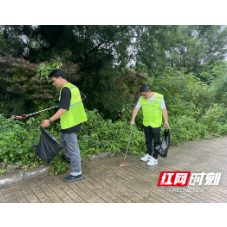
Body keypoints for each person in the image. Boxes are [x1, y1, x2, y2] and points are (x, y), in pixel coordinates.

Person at [41, 69, 87, 182]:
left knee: (73, 148)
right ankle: (68, 157)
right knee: (63, 138)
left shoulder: (65, 90)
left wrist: (49, 121)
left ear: (60, 78)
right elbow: (83, 96)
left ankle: (76, 173)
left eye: (54, 81)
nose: (54, 83)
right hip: (75, 120)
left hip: (70, 122)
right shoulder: (73, 87)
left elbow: (63, 109)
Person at [130, 84, 169, 166]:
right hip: (146, 122)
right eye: (142, 94)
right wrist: (132, 119)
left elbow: (164, 110)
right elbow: (136, 108)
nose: (143, 96)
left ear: (149, 92)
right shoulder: (141, 99)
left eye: (144, 94)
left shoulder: (159, 97)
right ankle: (149, 154)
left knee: (156, 141)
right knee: (148, 140)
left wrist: (166, 121)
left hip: (156, 123)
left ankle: (155, 158)